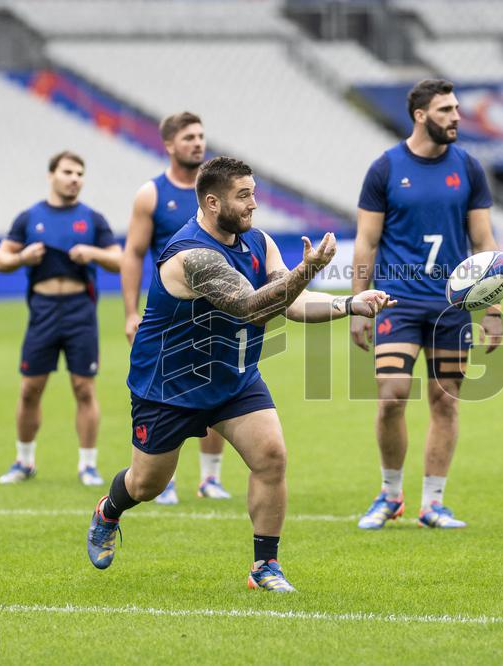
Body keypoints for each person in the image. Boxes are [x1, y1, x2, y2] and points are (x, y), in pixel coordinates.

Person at [86, 157, 393, 591]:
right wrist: (308, 270)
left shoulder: (258, 241)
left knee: (271, 456)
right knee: (146, 483)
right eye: (243, 196)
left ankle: (264, 566)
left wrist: (350, 303)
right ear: (212, 202)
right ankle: (108, 511)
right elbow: (253, 305)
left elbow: (288, 301)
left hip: (234, 376)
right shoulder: (191, 256)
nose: (254, 205)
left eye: (254, 193)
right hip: (169, 387)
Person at [350, 79, 503, 530]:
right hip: (396, 302)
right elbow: (366, 240)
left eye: (457, 108)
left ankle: (433, 504)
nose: (457, 116)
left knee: (446, 402)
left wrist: (492, 308)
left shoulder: (469, 168)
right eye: (446, 110)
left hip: (451, 306)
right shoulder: (385, 168)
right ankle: (391, 495)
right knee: (392, 398)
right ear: (420, 115)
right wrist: (360, 302)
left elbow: (483, 241)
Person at [0, 151, 122, 486]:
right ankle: (24, 461)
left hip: (80, 310)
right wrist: (24, 256)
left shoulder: (92, 219)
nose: (74, 178)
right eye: (68, 172)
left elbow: (119, 259)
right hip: (43, 311)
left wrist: (91, 252)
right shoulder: (29, 217)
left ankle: (88, 465)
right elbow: (0, 259)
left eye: (80, 173)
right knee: (30, 389)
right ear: (51, 175)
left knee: (83, 388)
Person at [122, 111, 231, 505]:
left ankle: (210, 478)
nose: (198, 143)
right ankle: (163, 477)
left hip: (217, 309)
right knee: (171, 395)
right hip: (170, 316)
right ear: (169, 145)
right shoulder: (151, 194)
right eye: (189, 137)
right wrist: (131, 311)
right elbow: (133, 253)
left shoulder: (218, 190)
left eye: (201, 135)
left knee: (219, 385)